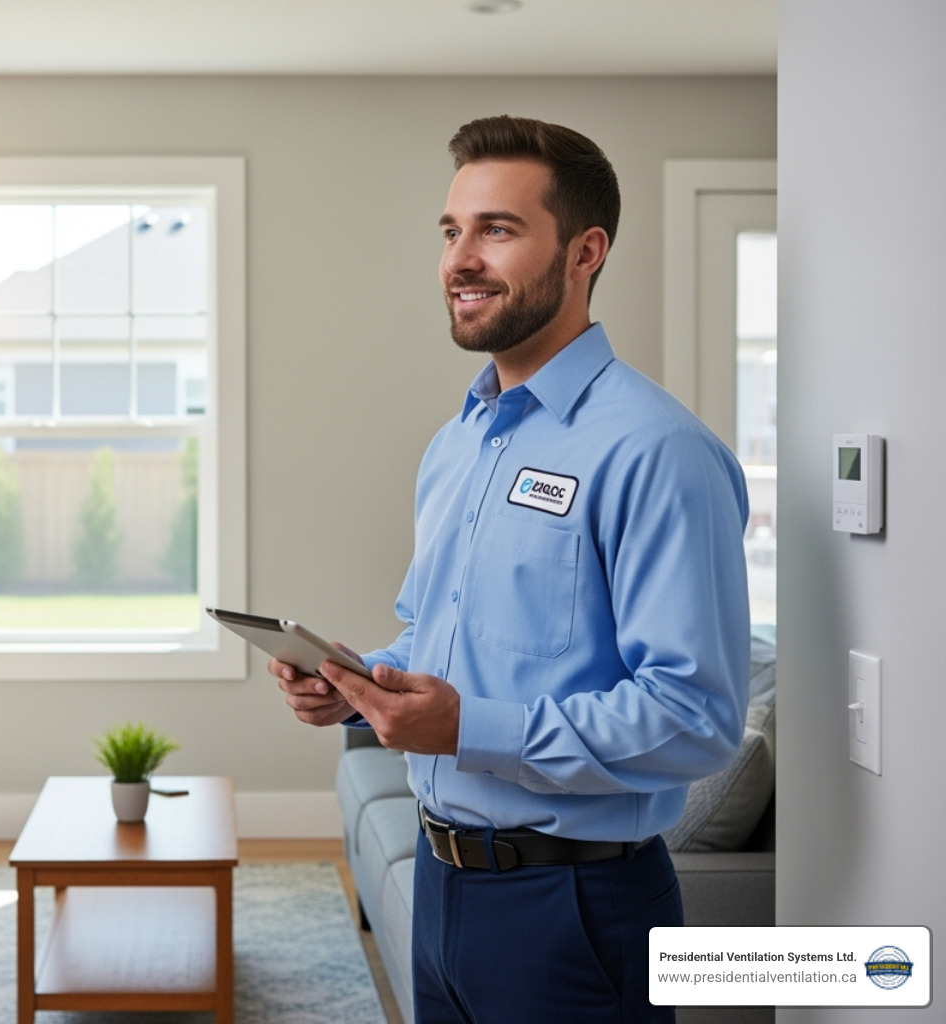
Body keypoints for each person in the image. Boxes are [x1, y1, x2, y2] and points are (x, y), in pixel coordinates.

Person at [271, 115, 750, 1023]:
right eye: (452, 231)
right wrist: (362, 683)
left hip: (575, 910)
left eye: (498, 229)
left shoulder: (659, 452)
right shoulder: (458, 443)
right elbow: (435, 630)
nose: (461, 259)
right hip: (445, 889)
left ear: (584, 251)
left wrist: (468, 728)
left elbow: (697, 718)